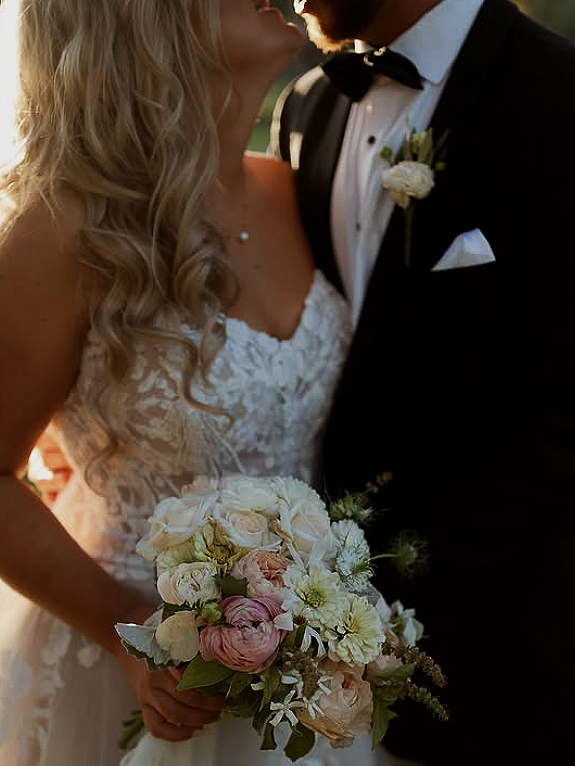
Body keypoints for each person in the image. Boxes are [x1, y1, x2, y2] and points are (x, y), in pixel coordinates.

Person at [0, 1, 378, 765]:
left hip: (301, 680)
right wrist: (129, 631)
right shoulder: (63, 224)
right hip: (129, 675)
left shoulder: (287, 187)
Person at [271, 0, 575, 764]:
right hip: (307, 683)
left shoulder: (557, 95)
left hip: (502, 664)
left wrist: (386, 591)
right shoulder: (305, 105)